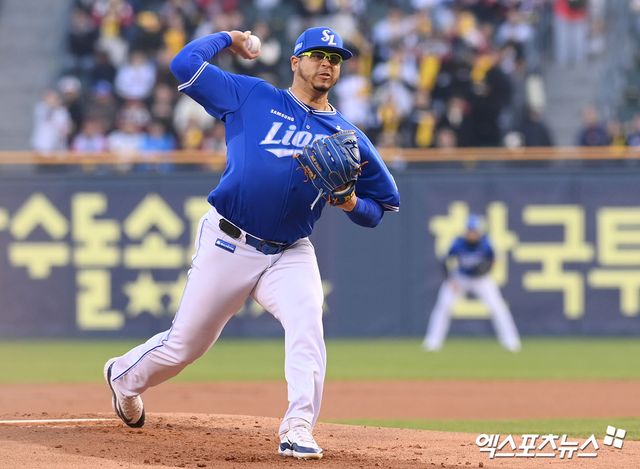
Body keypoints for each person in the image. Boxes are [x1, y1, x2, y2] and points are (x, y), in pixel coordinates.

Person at [103, 27, 400, 460]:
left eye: (335, 58)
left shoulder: (348, 137)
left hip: (290, 251)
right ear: (295, 62)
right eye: (317, 55)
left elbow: (382, 207)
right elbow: (184, 65)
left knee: (307, 324)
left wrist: (351, 201)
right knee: (186, 345)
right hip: (229, 242)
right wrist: (229, 38)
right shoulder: (253, 96)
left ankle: (298, 427)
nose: (327, 63)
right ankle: (123, 378)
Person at [422, 215, 521, 352]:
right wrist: (450, 279)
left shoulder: (486, 243)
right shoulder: (459, 243)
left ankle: (511, 341)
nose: (472, 234)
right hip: (460, 277)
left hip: (481, 279)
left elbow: (494, 260)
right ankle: (432, 342)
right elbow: (444, 260)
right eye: (470, 231)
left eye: (475, 231)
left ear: (479, 231)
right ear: (466, 231)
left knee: (498, 307)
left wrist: (485, 269)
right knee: (443, 306)